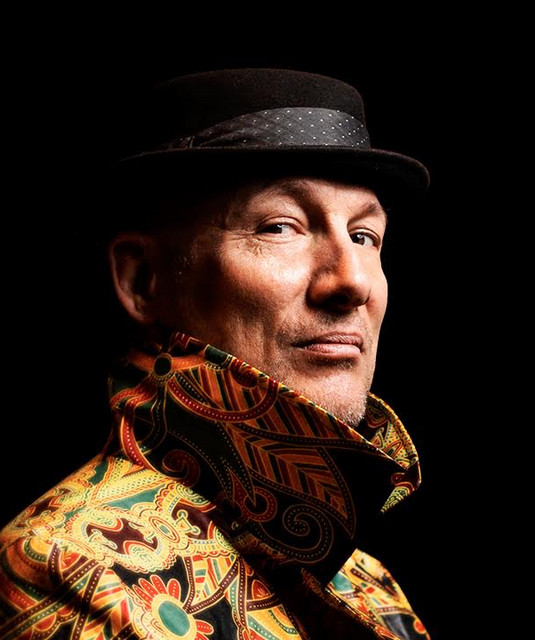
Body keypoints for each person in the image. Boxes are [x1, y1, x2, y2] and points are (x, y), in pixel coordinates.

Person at [0, 68, 431, 639]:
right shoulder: (67, 569)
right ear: (143, 279)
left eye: (363, 236)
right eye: (280, 227)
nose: (351, 281)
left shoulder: (373, 588)